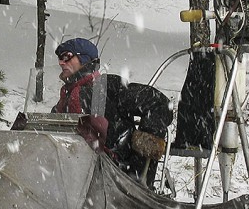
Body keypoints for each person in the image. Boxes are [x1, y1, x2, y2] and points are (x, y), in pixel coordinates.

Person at [51, 38, 172, 183]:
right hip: (73, 173)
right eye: (60, 58)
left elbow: (159, 103)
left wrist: (141, 157)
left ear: (84, 59)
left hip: (113, 176)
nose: (61, 62)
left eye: (66, 56)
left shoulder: (105, 86)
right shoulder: (66, 97)